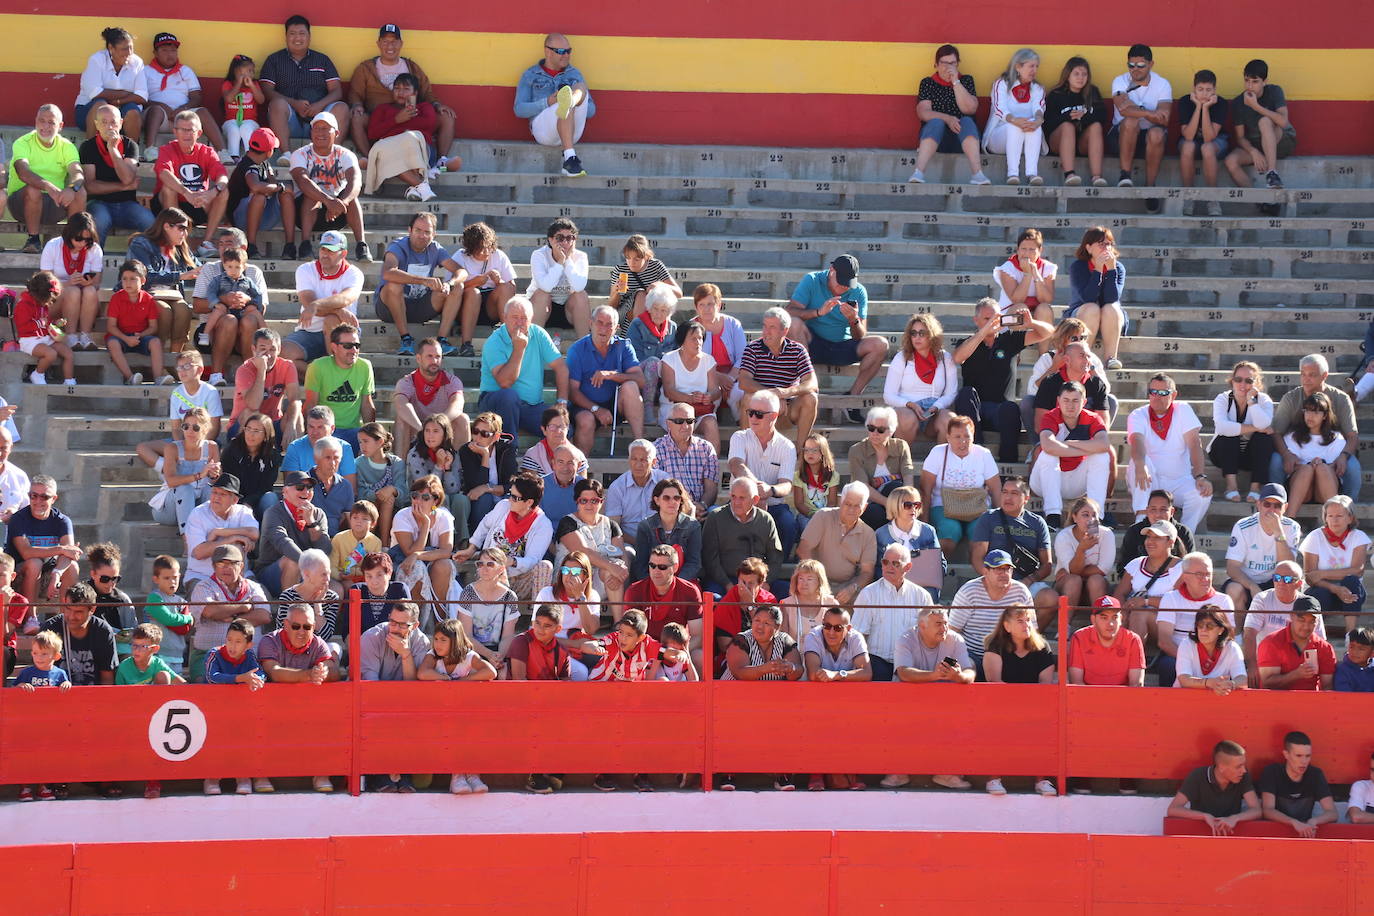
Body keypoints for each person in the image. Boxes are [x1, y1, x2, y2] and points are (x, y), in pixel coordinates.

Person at [953, 297, 1054, 463]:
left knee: (1010, 408)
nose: (992, 323)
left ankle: (1008, 467)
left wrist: (1032, 323)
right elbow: (958, 357)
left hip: (1000, 411)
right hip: (973, 409)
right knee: (965, 393)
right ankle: (974, 455)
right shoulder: (967, 342)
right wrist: (984, 332)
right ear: (976, 320)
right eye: (987, 319)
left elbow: (1048, 332)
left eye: (995, 318)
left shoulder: (1009, 340)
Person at [886, 606, 975, 790]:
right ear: (922, 626)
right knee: (900, 717)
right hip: (907, 699)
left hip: (944, 702)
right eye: (938, 624)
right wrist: (935, 676)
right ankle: (898, 771)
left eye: (945, 623)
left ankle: (948, 773)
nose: (944, 628)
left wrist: (957, 677)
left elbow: (970, 672)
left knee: (958, 715)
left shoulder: (955, 639)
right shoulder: (906, 639)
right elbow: (904, 673)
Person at [785, 256, 887, 413]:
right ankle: (806, 386)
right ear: (831, 270)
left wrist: (854, 320)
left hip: (842, 344)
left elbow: (860, 335)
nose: (844, 287)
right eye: (841, 282)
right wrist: (818, 312)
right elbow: (788, 312)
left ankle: (852, 399)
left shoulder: (859, 291)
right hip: (812, 343)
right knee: (794, 323)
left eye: (848, 283)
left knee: (881, 344)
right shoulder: (812, 280)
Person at [347, 23, 457, 167]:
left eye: (394, 41)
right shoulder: (366, 69)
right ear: (378, 43)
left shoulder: (411, 67)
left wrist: (436, 105)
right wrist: (357, 105)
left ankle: (441, 161)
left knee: (447, 117)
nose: (389, 46)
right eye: (385, 41)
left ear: (401, 44)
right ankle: (371, 159)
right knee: (356, 119)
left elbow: (426, 91)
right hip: (380, 118)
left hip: (412, 116)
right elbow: (355, 93)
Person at [259, 603, 341, 792]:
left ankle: (322, 773)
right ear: (286, 625)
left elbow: (334, 671)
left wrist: (324, 672)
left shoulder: (318, 643)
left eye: (308, 627)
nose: (302, 631)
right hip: (271, 709)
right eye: (296, 626)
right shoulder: (269, 641)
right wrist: (308, 675)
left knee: (330, 720)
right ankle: (259, 775)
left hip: (307, 710)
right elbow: (274, 673)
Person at [982, 604, 1058, 797]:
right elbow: (995, 683)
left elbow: (1045, 686)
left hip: (1035, 705)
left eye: (1029, 620)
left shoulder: (1042, 648)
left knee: (1044, 724)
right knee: (997, 724)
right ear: (1007, 626)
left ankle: (1043, 780)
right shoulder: (995, 646)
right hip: (1000, 705)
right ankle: (993, 777)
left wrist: (1028, 707)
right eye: (1020, 621)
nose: (1027, 625)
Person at [1126, 374, 1212, 533]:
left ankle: (1184, 535)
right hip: (1149, 480)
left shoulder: (1183, 409)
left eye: (1163, 393)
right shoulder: (1138, 414)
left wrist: (1200, 475)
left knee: (1203, 494)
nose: (1157, 397)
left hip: (1178, 481)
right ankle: (1141, 520)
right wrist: (1140, 464)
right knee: (1139, 462)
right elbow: (1137, 441)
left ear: (1174, 395)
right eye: (1153, 392)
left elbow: (1194, 443)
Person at [1269, 354, 1360, 499]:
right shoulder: (1291, 398)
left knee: (1353, 466)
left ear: (1324, 376)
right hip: (1298, 452)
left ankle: (1348, 510)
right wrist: (1286, 454)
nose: (1306, 379)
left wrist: (1343, 456)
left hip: (1332, 453)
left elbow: (1352, 435)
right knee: (1275, 460)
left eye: (1312, 375)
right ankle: (1276, 502)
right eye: (1303, 374)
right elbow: (1276, 432)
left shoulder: (1341, 398)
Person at [478, 296, 569, 439]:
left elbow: (561, 367)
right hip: (496, 404)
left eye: (524, 318)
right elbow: (505, 383)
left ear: (531, 318)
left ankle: (548, 460)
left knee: (561, 425)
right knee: (509, 395)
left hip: (530, 407)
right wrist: (519, 349)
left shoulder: (538, 334)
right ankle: (508, 450)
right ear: (505, 317)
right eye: (515, 317)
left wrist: (561, 402)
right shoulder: (494, 342)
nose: (519, 323)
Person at [456, 472, 555, 601]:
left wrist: (512, 561)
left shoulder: (543, 525)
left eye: (515, 497)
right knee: (496, 565)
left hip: (520, 581)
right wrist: (471, 549)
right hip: (490, 573)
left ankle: (537, 617)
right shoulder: (503, 506)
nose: (509, 499)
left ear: (529, 502)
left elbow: (533, 560)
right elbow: (484, 525)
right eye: (510, 494)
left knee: (545, 566)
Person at [802, 605, 871, 791]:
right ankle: (816, 774)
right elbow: (812, 674)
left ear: (848, 629)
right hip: (815, 698)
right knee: (816, 723)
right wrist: (839, 677)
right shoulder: (814, 636)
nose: (831, 632)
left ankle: (853, 772)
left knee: (857, 722)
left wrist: (837, 675)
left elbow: (867, 673)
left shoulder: (856, 638)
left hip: (848, 700)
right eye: (827, 626)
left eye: (838, 628)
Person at [188, 227, 269, 384]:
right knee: (229, 320)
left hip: (244, 333)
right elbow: (197, 306)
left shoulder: (253, 272)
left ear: (243, 248)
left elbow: (262, 306)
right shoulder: (210, 269)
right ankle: (216, 375)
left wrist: (246, 301)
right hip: (212, 330)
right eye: (220, 244)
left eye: (229, 243)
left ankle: (250, 375)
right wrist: (223, 300)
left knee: (250, 320)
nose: (224, 248)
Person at [736, 307, 820, 457]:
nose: (766, 331)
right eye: (764, 326)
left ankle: (801, 453)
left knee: (811, 398)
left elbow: (812, 383)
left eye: (772, 327)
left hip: (787, 410)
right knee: (747, 397)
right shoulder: (752, 348)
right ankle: (746, 450)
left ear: (784, 331)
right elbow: (743, 381)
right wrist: (773, 396)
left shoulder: (798, 350)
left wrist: (786, 393)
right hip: (760, 410)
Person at [971, 479, 1056, 625]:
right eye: (1004, 492)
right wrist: (993, 580)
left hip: (1026, 581)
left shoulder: (1037, 522)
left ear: (1026, 498)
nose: (1008, 497)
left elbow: (1047, 565)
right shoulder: (988, 518)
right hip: (994, 579)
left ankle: (1028, 642)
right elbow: (977, 558)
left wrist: (1026, 582)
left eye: (1014, 493)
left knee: (1051, 599)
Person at [378, 213, 465, 358]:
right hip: (389, 307)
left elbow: (462, 272)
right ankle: (406, 339)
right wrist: (423, 280)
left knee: (458, 287)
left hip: (420, 306)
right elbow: (387, 273)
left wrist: (450, 283)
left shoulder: (435, 249)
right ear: (409, 230)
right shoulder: (397, 246)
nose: (422, 236)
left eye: (427, 232)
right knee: (394, 285)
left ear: (434, 234)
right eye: (418, 230)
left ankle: (442, 340)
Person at [281, 230, 365, 376]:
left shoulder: (354, 273)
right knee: (281, 354)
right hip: (309, 331)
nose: (325, 254)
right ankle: (324, 376)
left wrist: (316, 306)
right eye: (323, 249)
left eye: (331, 250)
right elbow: (308, 301)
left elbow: (346, 298)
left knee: (331, 320)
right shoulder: (305, 269)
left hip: (342, 331)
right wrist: (337, 310)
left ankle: (335, 373)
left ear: (343, 253)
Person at [1031, 380, 1112, 529]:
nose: (1070, 405)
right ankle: (1053, 516)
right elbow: (1048, 446)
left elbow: (1104, 445)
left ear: (1084, 402)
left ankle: (1096, 517)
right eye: (1066, 400)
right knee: (1048, 455)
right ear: (1058, 401)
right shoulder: (1050, 417)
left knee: (1101, 456)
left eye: (1076, 400)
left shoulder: (1092, 418)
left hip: (1075, 483)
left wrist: (1070, 444)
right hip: (1044, 482)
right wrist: (1086, 448)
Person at [728, 390, 800, 557]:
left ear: (774, 416)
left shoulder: (787, 446)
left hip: (773, 505)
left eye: (758, 414)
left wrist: (770, 491)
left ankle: (776, 570)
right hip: (740, 503)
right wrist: (756, 490)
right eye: (750, 412)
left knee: (788, 524)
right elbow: (736, 465)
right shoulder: (739, 437)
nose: (752, 418)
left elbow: (786, 484)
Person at [260, 15, 350, 147]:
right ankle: (285, 154)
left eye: (302, 33)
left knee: (342, 108)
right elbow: (267, 91)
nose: (297, 38)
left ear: (309, 36)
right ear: (286, 36)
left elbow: (336, 91)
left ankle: (332, 156)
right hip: (290, 121)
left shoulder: (322, 60)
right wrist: (294, 103)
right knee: (277, 104)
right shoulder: (274, 60)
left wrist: (319, 106)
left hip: (320, 120)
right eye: (292, 34)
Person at [513, 33, 595, 178]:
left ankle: (569, 102)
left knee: (578, 88)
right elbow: (519, 109)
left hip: (571, 131)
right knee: (563, 102)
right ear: (548, 52)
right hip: (544, 132)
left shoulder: (575, 74)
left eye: (569, 51)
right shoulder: (530, 75)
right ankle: (570, 157)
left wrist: (574, 104)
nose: (566, 55)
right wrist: (547, 103)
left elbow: (591, 110)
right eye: (561, 52)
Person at [289, 115, 370, 261]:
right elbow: (303, 180)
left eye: (325, 129)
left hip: (337, 212)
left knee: (352, 198)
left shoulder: (346, 154)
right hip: (305, 212)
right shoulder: (300, 154)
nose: (320, 133)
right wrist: (327, 201)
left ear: (336, 133)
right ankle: (305, 245)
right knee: (311, 194)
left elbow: (356, 180)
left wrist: (342, 203)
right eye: (316, 128)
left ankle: (362, 246)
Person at [8, 105, 86, 255]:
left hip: (54, 204)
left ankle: (72, 243)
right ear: (35, 122)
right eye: (41, 121)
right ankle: (33, 240)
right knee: (33, 189)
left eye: (51, 122)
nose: (45, 126)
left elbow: (77, 172)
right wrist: (49, 187)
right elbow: (23, 172)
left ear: (60, 126)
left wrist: (72, 188)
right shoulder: (23, 142)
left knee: (80, 192)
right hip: (21, 205)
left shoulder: (67, 146)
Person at [203, 617, 269, 795]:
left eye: (238, 642)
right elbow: (212, 677)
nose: (232, 645)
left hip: (240, 712)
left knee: (244, 740)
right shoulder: (214, 654)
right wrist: (241, 679)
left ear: (248, 645)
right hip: (214, 711)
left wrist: (257, 679)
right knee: (215, 743)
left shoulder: (249, 656)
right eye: (229, 640)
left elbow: (260, 673)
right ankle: (212, 777)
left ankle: (243, 776)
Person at [920, 414, 1001, 557]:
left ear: (973, 436)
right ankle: (939, 573)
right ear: (948, 437)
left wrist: (1001, 522)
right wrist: (924, 524)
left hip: (977, 507)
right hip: (943, 506)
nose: (962, 441)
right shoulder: (937, 453)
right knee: (949, 532)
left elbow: (996, 490)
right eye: (957, 437)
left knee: (980, 538)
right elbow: (926, 491)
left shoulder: (983, 454)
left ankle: (977, 575)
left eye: (967, 436)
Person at [907, 44, 990, 185]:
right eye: (944, 63)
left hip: (962, 140)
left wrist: (955, 82)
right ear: (936, 65)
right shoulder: (928, 83)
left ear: (958, 64)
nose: (948, 67)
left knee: (968, 121)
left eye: (952, 63)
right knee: (936, 122)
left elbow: (970, 109)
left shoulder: (966, 80)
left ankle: (978, 174)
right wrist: (947, 118)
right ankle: (918, 173)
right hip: (935, 140)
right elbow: (923, 112)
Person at [568, 305, 645, 453]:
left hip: (615, 405)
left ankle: (640, 446)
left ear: (616, 328)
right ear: (591, 323)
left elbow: (640, 380)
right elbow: (572, 390)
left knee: (631, 386)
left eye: (609, 324)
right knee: (586, 420)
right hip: (584, 406)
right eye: (599, 322)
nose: (603, 328)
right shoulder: (577, 349)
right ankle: (582, 470)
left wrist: (611, 375)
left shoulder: (624, 346)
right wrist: (596, 409)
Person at [188, 544, 271, 682]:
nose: (226, 568)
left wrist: (231, 617)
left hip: (247, 657)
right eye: (221, 563)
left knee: (258, 682)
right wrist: (243, 607)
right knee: (202, 686)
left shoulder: (253, 587)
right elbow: (210, 611)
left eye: (232, 563)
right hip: (208, 654)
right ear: (214, 566)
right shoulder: (203, 586)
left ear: (241, 566)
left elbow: (264, 616)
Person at [153, 110, 229, 255]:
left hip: (198, 204)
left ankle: (206, 242)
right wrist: (186, 192)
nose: (186, 134)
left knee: (223, 191)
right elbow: (163, 173)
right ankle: (179, 245)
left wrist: (213, 192)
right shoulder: (167, 150)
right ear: (175, 132)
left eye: (190, 130)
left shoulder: (207, 152)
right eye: (182, 130)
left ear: (199, 133)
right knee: (169, 188)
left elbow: (222, 176)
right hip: (169, 206)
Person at [126, 208, 202, 352]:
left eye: (186, 229)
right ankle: (156, 357)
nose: (185, 233)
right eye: (181, 228)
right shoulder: (141, 243)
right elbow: (145, 277)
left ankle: (174, 358)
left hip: (171, 295)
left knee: (184, 310)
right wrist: (180, 276)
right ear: (166, 226)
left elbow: (199, 268)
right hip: (144, 294)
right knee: (164, 311)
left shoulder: (180, 248)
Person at [853, 544, 931, 682]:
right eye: (885, 562)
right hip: (876, 662)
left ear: (908, 567)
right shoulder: (868, 594)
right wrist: (862, 668)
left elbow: (930, 635)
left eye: (895, 563)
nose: (889, 567)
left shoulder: (922, 596)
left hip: (911, 663)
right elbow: (858, 636)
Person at [1157, 553, 1236, 687]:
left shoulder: (1223, 600)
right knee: (1167, 665)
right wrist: (1188, 661)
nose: (1205, 579)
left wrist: (1206, 661)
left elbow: (1229, 637)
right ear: (1185, 576)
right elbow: (1164, 642)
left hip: (1214, 658)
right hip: (1179, 655)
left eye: (1208, 574)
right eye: (1199, 574)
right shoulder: (1170, 598)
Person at [79, 103, 154, 244]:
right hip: (99, 203)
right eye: (104, 122)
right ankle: (94, 265)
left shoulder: (130, 145)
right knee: (98, 222)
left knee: (150, 222)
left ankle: (150, 264)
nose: (109, 127)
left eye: (113, 122)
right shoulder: (88, 147)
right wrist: (122, 187)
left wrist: (113, 150)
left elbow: (127, 178)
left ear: (120, 123)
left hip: (127, 204)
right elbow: (90, 186)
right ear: (96, 125)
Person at [950, 549, 1036, 671]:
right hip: (973, 654)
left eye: (1007, 569)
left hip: (1008, 654)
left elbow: (1032, 629)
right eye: (998, 569)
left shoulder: (1021, 591)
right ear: (985, 571)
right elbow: (952, 632)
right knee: (965, 669)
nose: (1004, 573)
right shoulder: (968, 592)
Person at [1242, 567, 1327, 688]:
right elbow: (1249, 633)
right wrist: (1251, 666)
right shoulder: (1262, 598)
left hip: (1298, 664)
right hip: (1266, 663)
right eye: (1277, 578)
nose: (1280, 582)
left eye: (1287, 579)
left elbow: (1319, 641)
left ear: (1299, 583)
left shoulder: (1308, 605)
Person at [142, 31, 225, 154]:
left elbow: (196, 97)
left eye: (173, 50)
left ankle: (223, 152)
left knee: (203, 111)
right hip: (158, 117)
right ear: (155, 53)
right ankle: (149, 150)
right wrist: (163, 106)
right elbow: (140, 98)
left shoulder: (185, 71)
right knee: (156, 110)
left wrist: (182, 109)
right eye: (164, 50)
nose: (170, 54)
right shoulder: (146, 71)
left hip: (183, 116)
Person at [1222, 482, 1301, 612]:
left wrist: (1278, 533)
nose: (1271, 509)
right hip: (1246, 581)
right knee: (1234, 590)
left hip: (1276, 581)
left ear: (1285, 508)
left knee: (1291, 586)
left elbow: (1287, 565)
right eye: (1267, 504)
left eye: (1277, 506)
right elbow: (1232, 568)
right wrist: (1253, 587)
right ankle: (1237, 633)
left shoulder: (1292, 527)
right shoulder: (1243, 526)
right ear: (1258, 504)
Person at [362, 74, 442, 201]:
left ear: (415, 92)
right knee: (387, 151)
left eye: (406, 89)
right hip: (392, 151)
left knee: (409, 137)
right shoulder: (383, 109)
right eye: (397, 88)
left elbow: (429, 124)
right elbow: (372, 134)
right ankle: (420, 186)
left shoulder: (424, 107)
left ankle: (417, 186)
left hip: (422, 151)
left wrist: (404, 121)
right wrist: (396, 120)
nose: (400, 92)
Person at [798, 483, 877, 608]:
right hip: (816, 580)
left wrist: (852, 588)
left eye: (857, 506)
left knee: (867, 598)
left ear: (865, 507)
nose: (851, 510)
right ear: (841, 501)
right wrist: (817, 581)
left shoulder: (868, 534)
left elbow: (867, 572)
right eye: (848, 504)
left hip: (846, 586)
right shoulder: (823, 516)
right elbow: (803, 549)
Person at [1109, 43, 1172, 201]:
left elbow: (1164, 119)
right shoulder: (1119, 81)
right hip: (1120, 137)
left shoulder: (1163, 84)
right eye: (1131, 65)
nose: (1135, 69)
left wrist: (1134, 107)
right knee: (1131, 121)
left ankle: (1150, 188)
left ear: (1151, 64)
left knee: (1157, 132)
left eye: (1141, 65)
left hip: (1149, 140)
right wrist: (1148, 112)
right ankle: (1125, 176)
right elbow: (1123, 109)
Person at [702, 477, 783, 597]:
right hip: (725, 580)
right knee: (713, 598)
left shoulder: (766, 520)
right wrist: (727, 584)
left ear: (755, 500)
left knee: (786, 593)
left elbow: (775, 556)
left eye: (742, 498)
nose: (736, 502)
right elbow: (710, 558)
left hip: (757, 580)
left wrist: (766, 582)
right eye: (733, 496)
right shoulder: (716, 518)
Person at [555, 478, 630, 606]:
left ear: (602, 502)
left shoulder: (611, 525)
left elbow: (622, 556)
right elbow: (582, 551)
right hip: (570, 577)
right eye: (584, 501)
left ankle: (618, 623)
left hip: (602, 580)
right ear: (576, 502)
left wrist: (620, 573)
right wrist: (613, 568)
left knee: (610, 573)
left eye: (594, 501)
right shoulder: (567, 523)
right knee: (610, 570)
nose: (589, 505)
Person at [1224, 59, 1296, 191]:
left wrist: (1256, 106)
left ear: (1264, 81)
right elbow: (1240, 137)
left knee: (1264, 121)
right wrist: (1253, 152)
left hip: (1281, 141)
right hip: (1257, 144)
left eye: (1255, 81)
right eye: (1247, 80)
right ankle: (1259, 202)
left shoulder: (1274, 91)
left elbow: (1283, 122)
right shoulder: (1239, 102)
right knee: (1230, 161)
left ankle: (1272, 173)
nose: (1250, 86)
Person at [4, 474, 79, 603]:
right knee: (35, 563)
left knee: (72, 566)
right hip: (18, 576)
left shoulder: (62, 521)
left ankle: (65, 616)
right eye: (34, 496)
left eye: (44, 497)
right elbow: (26, 553)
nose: (38, 501)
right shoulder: (18, 519)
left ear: (54, 499)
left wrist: (57, 573)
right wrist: (61, 549)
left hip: (47, 574)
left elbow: (69, 554)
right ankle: (30, 617)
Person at [225, 126, 298, 258]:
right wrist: (280, 187)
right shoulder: (247, 164)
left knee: (286, 196)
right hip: (240, 218)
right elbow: (255, 186)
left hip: (262, 216)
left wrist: (279, 188)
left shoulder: (263, 163)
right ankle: (251, 245)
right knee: (259, 196)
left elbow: (272, 182)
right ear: (269, 151)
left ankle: (290, 246)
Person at [885, 313, 957, 444]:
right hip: (908, 410)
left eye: (922, 333)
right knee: (906, 417)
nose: (917, 337)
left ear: (932, 334)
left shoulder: (945, 358)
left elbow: (951, 393)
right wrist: (910, 404)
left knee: (950, 419)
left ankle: (941, 463)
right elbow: (888, 395)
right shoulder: (902, 357)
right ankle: (902, 462)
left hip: (934, 412)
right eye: (913, 333)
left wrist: (937, 406)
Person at [1209, 361, 1275, 502]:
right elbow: (1222, 427)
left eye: (1249, 380)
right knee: (1229, 435)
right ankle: (1231, 487)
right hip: (1223, 453)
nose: (1242, 384)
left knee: (1264, 439)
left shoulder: (1263, 400)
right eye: (1238, 379)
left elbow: (1264, 423)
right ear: (1232, 380)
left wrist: (1252, 402)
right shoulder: (1223, 398)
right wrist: (1255, 428)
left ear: (1256, 382)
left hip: (1250, 457)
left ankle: (1255, 488)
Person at [256, 470, 331, 595]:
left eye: (309, 487)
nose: (306, 492)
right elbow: (283, 542)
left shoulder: (318, 514)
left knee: (337, 587)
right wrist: (308, 566)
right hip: (271, 574)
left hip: (308, 572)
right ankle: (289, 610)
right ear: (285, 492)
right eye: (300, 487)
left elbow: (325, 549)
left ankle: (318, 614)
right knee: (292, 562)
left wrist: (311, 522)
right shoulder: (272, 513)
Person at [1301, 495, 1369, 633]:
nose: (1334, 520)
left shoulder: (1358, 536)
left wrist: (1322, 574)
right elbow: (1310, 577)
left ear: (1350, 518)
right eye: (1330, 516)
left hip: (1349, 590)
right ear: (1325, 518)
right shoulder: (1315, 537)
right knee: (1320, 593)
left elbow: (1357, 570)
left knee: (1352, 581)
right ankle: (1314, 634)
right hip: (1323, 589)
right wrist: (1335, 588)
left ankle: (1350, 635)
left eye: (1339, 515)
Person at [1166, 740, 1263, 835]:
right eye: (1238, 767)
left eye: (1244, 765)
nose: (1244, 770)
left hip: (1231, 835)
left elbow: (1257, 810)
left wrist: (1234, 818)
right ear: (1221, 767)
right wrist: (1204, 816)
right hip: (1199, 834)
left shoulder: (1243, 777)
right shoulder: (1198, 776)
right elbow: (1173, 809)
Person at [623, 544, 703, 657]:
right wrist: (660, 652)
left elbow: (698, 636)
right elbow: (629, 634)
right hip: (645, 652)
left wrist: (678, 652)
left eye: (662, 567)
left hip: (677, 652)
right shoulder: (635, 591)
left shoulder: (690, 591)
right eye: (652, 565)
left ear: (675, 567)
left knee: (699, 656)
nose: (656, 571)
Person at [1066, 227, 1127, 370]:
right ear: (1088, 247)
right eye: (1101, 244)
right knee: (1092, 308)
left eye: (1109, 244)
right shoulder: (1078, 267)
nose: (1106, 248)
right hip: (1083, 314)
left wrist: (1111, 270)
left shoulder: (1118, 268)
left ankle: (1111, 358)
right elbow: (1088, 297)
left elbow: (1111, 298)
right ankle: (1084, 356)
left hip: (1110, 319)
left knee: (1110, 307)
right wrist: (1098, 270)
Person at [683, 283, 748, 418]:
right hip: (702, 377)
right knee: (708, 395)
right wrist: (718, 378)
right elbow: (689, 360)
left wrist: (729, 380)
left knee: (738, 393)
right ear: (696, 307)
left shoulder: (733, 324)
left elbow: (743, 357)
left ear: (719, 305)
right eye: (702, 304)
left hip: (733, 376)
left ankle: (742, 428)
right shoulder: (690, 327)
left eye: (711, 304)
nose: (707, 309)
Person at [153, 405, 220, 534]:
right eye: (186, 426)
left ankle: (210, 536)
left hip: (196, 504)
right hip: (168, 510)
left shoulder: (212, 447)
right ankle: (188, 540)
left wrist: (213, 474)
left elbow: (215, 481)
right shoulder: (172, 448)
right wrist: (199, 475)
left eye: (196, 427)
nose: (190, 431)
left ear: (205, 429)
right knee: (185, 488)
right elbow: (171, 481)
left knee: (209, 489)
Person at [1115, 517, 1183, 645]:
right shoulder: (1136, 564)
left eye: (1157, 538)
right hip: (1137, 617)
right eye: (1148, 537)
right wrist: (1123, 611)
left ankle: (1133, 661)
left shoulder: (1182, 568)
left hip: (1170, 624)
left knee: (1139, 614)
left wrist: (1145, 601)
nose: (1150, 542)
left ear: (1170, 542)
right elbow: (1119, 594)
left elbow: (1180, 603)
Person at [183, 473, 257, 589]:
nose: (216, 497)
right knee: (208, 602)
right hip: (203, 577)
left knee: (263, 601)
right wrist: (232, 539)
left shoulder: (243, 512)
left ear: (235, 500)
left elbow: (254, 533)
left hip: (241, 577)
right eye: (214, 492)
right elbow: (199, 553)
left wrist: (219, 532)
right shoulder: (198, 513)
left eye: (222, 494)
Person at [983, 49, 1046, 185]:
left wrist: (1038, 120)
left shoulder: (1037, 88)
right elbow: (1000, 109)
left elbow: (1038, 108)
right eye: (1031, 66)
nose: (1034, 70)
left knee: (1034, 125)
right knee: (1014, 126)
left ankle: (1032, 174)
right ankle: (1012, 174)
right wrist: (1014, 120)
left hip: (1026, 142)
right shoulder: (1002, 84)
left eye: (1036, 66)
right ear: (1018, 66)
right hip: (999, 139)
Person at [1044, 56, 1109, 186]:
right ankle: (1069, 174)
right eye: (1076, 74)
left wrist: (1084, 117)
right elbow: (1047, 124)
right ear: (1068, 75)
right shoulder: (1056, 94)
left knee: (1096, 126)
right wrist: (1068, 117)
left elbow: (1103, 117)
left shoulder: (1093, 92)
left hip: (1082, 144)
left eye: (1084, 74)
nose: (1081, 78)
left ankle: (1097, 177)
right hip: (1058, 142)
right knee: (1068, 126)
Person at [1258, 732, 1337, 837]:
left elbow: (1332, 812)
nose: (1304, 761)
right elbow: (1267, 810)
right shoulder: (1272, 772)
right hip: (1274, 833)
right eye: (1298, 756)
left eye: (1307, 756)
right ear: (1286, 754)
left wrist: (1314, 821)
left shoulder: (1315, 774)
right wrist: (1294, 823)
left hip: (1306, 833)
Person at [658, 321, 722, 451]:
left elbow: (716, 390)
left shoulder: (708, 360)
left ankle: (714, 467)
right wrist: (690, 399)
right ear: (682, 340)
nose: (698, 342)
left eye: (700, 338)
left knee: (710, 423)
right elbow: (669, 391)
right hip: (673, 409)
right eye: (693, 339)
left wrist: (708, 397)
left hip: (700, 411)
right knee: (681, 424)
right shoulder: (669, 359)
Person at [230, 328, 300, 446]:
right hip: (244, 426)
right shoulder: (244, 370)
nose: (268, 355)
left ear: (279, 350)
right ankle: (246, 458)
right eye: (262, 349)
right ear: (254, 350)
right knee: (251, 412)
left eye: (272, 349)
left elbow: (295, 400)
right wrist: (261, 370)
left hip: (274, 422)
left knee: (295, 415)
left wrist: (291, 425)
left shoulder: (287, 366)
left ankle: (293, 459)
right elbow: (253, 405)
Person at [40, 583, 118, 688]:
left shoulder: (103, 631)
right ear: (63, 602)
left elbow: (107, 677)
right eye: (68, 609)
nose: (72, 617)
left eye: (79, 612)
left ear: (92, 609)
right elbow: (40, 672)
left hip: (91, 696)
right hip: (57, 695)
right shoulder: (50, 628)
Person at [73, 26, 145, 139]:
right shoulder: (97, 60)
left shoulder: (137, 62)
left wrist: (118, 100)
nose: (129, 53)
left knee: (133, 112)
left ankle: (132, 153)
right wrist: (124, 93)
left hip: (121, 112)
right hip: (87, 111)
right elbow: (94, 93)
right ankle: (89, 151)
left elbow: (142, 96)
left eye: (131, 48)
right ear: (111, 48)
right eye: (124, 49)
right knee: (100, 105)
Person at [454, 222, 519, 347]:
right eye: (481, 248)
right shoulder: (460, 256)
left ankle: (509, 340)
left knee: (505, 287)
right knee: (473, 292)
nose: (486, 252)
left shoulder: (499, 255)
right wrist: (474, 282)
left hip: (491, 308)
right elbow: (451, 289)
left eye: (489, 247)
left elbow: (512, 288)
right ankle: (466, 344)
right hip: (465, 307)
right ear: (471, 247)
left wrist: (499, 282)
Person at [848, 407, 915, 528]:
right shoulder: (856, 450)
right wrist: (890, 504)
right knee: (875, 513)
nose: (874, 433)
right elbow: (864, 487)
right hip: (867, 500)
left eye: (881, 430)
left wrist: (907, 500)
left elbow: (908, 476)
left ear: (891, 431)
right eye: (871, 428)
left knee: (897, 488)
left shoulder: (901, 446)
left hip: (895, 498)